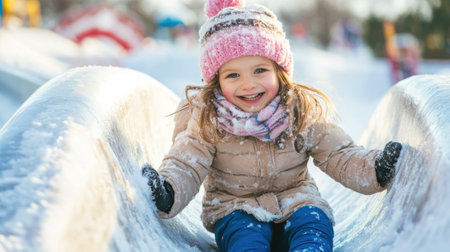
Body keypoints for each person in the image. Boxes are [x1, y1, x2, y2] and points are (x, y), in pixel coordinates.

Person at [141, 0, 403, 251]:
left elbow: (337, 154)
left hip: (297, 200)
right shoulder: (208, 119)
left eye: (260, 71)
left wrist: (374, 168)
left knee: (314, 224)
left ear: (279, 71)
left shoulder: (298, 111)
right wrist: (168, 190)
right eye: (233, 75)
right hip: (234, 207)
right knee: (246, 238)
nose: (248, 84)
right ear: (216, 81)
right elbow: (187, 163)